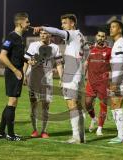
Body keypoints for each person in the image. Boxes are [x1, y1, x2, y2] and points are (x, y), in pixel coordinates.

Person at [33, 14, 87, 144]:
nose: (62, 25)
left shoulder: (72, 33)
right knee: (78, 105)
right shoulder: (81, 36)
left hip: (72, 73)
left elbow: (57, 32)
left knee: (71, 104)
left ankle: (76, 137)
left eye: (64, 23)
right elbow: (87, 51)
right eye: (62, 23)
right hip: (79, 73)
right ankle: (82, 136)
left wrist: (42, 27)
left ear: (72, 24)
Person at [0, 12, 30, 141]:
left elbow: (17, 56)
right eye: (27, 22)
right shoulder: (12, 37)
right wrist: (15, 70)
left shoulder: (19, 38)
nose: (29, 24)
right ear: (20, 23)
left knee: (10, 102)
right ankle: (10, 134)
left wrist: (27, 61)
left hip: (17, 72)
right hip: (13, 74)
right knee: (13, 102)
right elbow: (2, 56)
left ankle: (0, 132)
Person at [24, 29, 63, 138]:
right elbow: (26, 60)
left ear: (50, 35)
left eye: (45, 33)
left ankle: (44, 131)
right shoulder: (33, 45)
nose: (42, 35)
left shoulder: (55, 47)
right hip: (33, 79)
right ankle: (34, 130)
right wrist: (24, 75)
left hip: (47, 80)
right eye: (41, 33)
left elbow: (59, 64)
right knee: (33, 104)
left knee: (45, 105)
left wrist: (61, 78)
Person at [84, 29, 111, 136]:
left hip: (103, 83)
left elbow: (113, 66)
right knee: (87, 104)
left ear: (105, 38)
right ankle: (94, 118)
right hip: (91, 82)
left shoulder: (109, 50)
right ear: (96, 36)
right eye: (99, 36)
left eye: (103, 36)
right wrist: (83, 75)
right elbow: (86, 63)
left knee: (103, 105)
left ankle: (100, 128)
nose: (101, 38)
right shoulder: (91, 49)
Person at [108, 20, 123, 144]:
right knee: (114, 104)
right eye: (110, 27)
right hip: (118, 78)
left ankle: (121, 137)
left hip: (121, 79)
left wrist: (115, 82)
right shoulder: (117, 43)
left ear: (120, 30)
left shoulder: (120, 43)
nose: (111, 29)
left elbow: (120, 63)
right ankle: (122, 134)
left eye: (114, 27)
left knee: (117, 104)